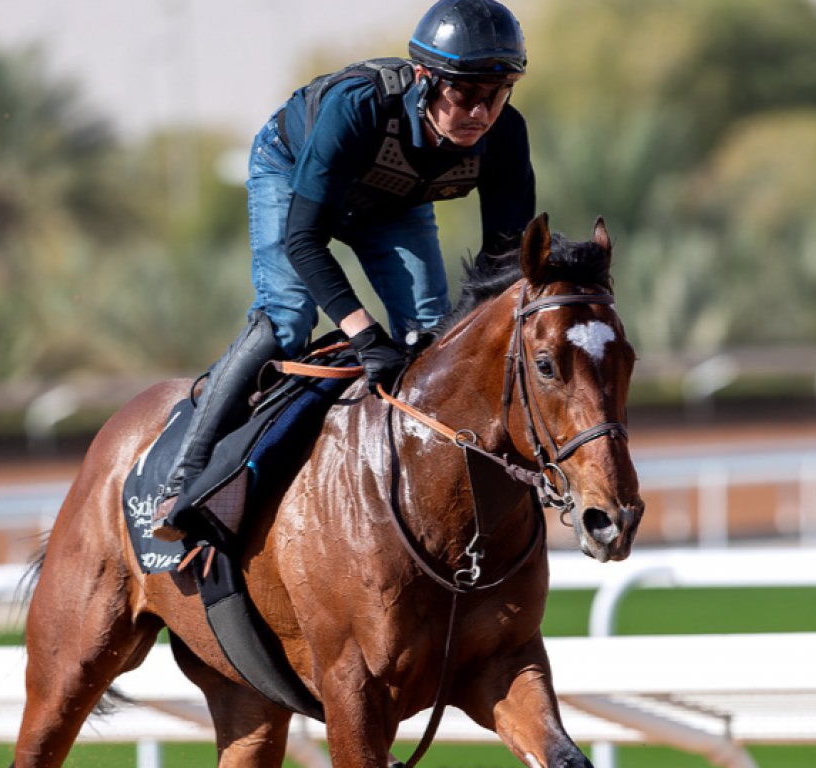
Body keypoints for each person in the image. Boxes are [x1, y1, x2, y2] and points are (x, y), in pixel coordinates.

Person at [153, 0, 536, 541]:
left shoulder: (506, 136)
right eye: (465, 94)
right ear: (425, 79)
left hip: (392, 202)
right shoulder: (356, 108)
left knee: (428, 331)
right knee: (287, 320)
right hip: (291, 172)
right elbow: (304, 241)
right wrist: (364, 335)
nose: (481, 112)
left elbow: (504, 264)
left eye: (496, 95)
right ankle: (187, 475)